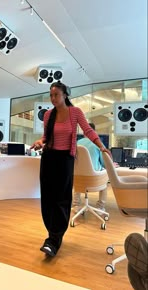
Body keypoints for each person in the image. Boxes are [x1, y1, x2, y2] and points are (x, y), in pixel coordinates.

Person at [31, 81, 111, 257]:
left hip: (65, 159)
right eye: (51, 95)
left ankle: (54, 239)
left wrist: (101, 146)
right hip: (48, 158)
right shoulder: (48, 115)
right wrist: (40, 142)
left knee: (61, 199)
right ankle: (51, 234)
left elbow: (88, 131)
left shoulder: (75, 113)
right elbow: (46, 136)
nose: (53, 98)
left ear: (65, 95)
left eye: (56, 95)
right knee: (48, 199)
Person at [72, 122, 107, 213]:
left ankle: (76, 205)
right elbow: (104, 164)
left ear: (84, 132)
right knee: (105, 178)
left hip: (79, 180)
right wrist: (111, 164)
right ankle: (100, 207)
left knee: (77, 174)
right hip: (94, 180)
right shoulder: (98, 144)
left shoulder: (76, 144)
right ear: (93, 133)